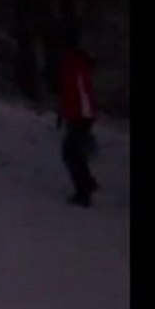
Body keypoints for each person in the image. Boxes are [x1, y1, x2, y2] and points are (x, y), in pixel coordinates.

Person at [57, 38, 100, 207]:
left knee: (71, 152)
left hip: (80, 115)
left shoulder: (73, 64)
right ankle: (86, 184)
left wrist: (82, 114)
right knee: (74, 152)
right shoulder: (71, 64)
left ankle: (84, 191)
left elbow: (79, 91)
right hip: (78, 114)